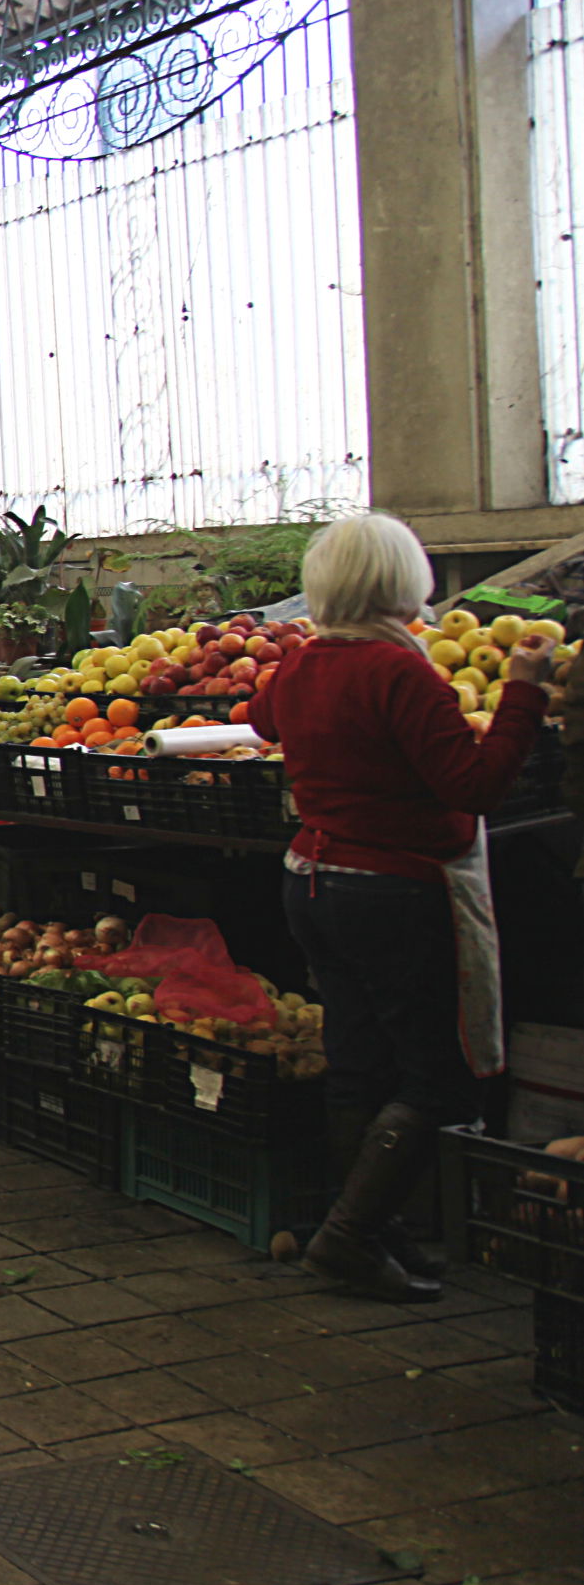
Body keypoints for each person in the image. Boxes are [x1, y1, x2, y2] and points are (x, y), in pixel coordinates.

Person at [251, 513, 554, 1302]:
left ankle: (358, 1224)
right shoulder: (399, 672)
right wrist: (521, 696)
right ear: (402, 582)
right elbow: (475, 785)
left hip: (313, 881)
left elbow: (260, 720)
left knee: (357, 1063)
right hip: (390, 890)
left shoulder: (305, 664)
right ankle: (352, 1234)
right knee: (437, 1076)